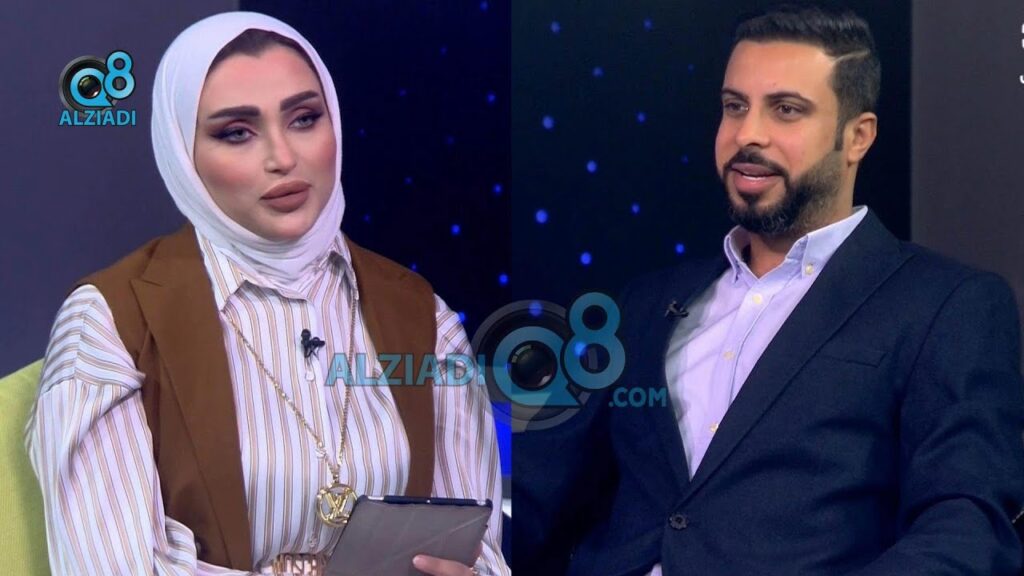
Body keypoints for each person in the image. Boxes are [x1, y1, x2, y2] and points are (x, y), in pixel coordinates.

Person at [513, 4, 1024, 575]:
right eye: (735, 106)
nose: (747, 134)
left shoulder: (945, 305)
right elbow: (537, 490)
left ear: (857, 136)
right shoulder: (644, 305)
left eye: (786, 110)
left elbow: (965, 526)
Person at [26, 11, 508, 576]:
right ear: (182, 154)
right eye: (237, 132)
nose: (282, 157)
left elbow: (477, 549)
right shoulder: (111, 320)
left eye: (304, 119)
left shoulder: (420, 312)